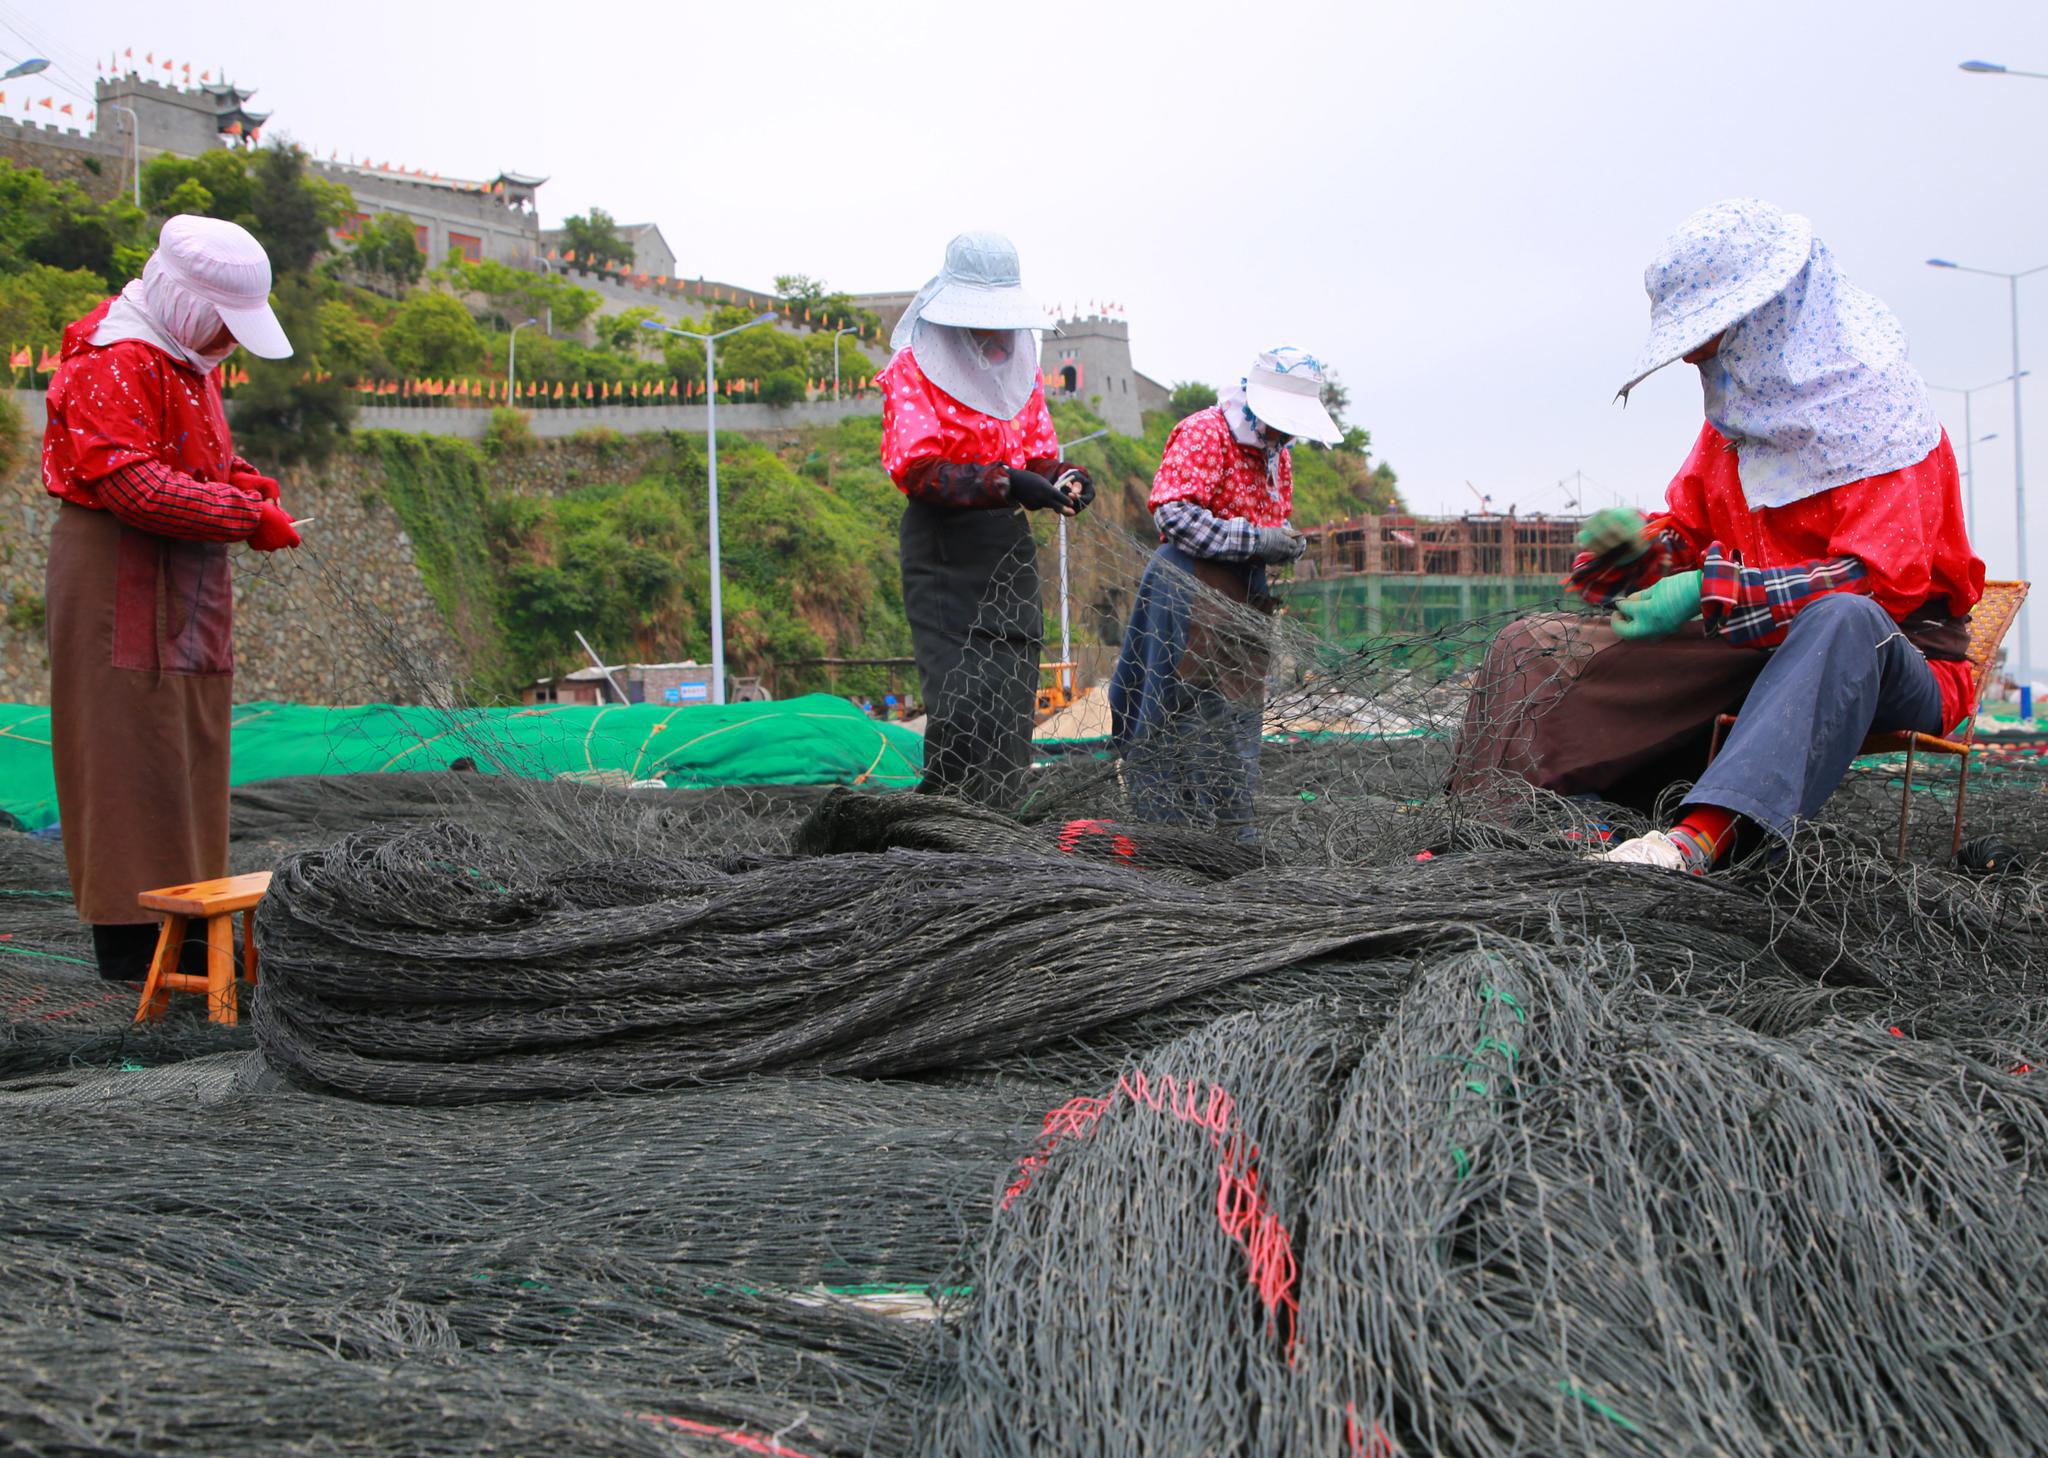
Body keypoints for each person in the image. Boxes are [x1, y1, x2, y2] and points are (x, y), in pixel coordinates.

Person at [1450, 199, 1984, 871]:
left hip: (1889, 656)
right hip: (1751, 642)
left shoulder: (1886, 419)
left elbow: (1875, 585)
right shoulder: (1740, 422)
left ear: (1772, 316)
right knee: (1531, 644)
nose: (1693, 359)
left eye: (1709, 336)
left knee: (1845, 619)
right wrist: (1642, 555)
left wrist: (1707, 588)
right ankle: (1517, 825)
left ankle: (1699, 839)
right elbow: (1694, 535)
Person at [41, 215, 304, 980]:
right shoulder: (113, 358)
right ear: (186, 302)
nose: (227, 341)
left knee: (190, 740)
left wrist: (238, 479)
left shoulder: (181, 358)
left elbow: (183, 451)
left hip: (185, 569)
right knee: (126, 743)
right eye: (222, 324)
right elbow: (131, 482)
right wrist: (244, 515)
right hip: (118, 563)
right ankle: (131, 935)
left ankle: (194, 915)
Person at [879, 231, 1093, 810]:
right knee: (960, 706)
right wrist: (1005, 481)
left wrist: (1063, 477)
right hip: (944, 548)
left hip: (1007, 548)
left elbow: (1037, 454)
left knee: (1010, 695)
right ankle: (948, 833)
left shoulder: (1016, 368)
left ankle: (995, 830)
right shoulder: (914, 368)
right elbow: (919, 470)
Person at [1108, 348, 1343, 840]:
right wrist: (1257, 540)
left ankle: (1230, 832)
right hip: (1188, 588)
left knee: (1237, 718)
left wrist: (1283, 543)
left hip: (1244, 597)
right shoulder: (1205, 433)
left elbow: (1266, 522)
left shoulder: (1280, 455)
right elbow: (1173, 514)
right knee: (1176, 709)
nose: (1285, 433)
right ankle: (1168, 830)